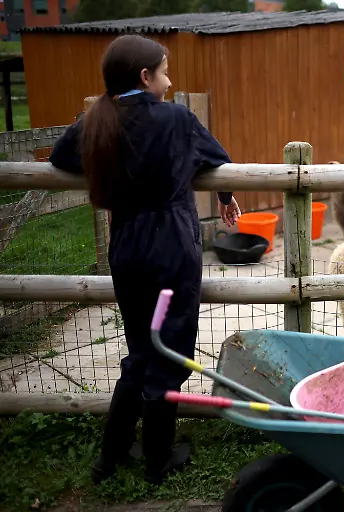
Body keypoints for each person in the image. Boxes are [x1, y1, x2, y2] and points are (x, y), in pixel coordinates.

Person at [49, 34, 241, 485]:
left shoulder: (97, 120)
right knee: (168, 349)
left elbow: (61, 156)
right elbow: (217, 158)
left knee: (139, 350)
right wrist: (228, 194)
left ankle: (108, 459)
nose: (170, 81)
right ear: (144, 76)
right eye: (165, 71)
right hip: (172, 246)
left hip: (128, 245)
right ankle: (158, 460)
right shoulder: (175, 119)